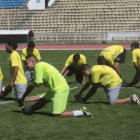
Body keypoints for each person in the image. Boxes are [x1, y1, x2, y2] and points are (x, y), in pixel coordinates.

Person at [19, 55, 92, 117]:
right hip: (54, 89)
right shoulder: (38, 68)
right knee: (42, 102)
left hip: (60, 89)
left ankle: (81, 112)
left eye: (27, 63)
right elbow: (31, 86)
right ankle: (27, 110)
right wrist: (23, 98)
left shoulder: (38, 66)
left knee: (57, 114)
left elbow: (38, 84)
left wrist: (33, 82)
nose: (26, 65)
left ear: (33, 62)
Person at [74, 64, 140, 105]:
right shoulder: (93, 69)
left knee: (112, 103)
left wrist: (84, 99)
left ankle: (131, 98)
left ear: (88, 69)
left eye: (84, 73)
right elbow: (87, 84)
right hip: (109, 82)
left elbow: (94, 88)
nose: (84, 75)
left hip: (114, 82)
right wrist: (80, 93)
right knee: (111, 99)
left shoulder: (94, 71)